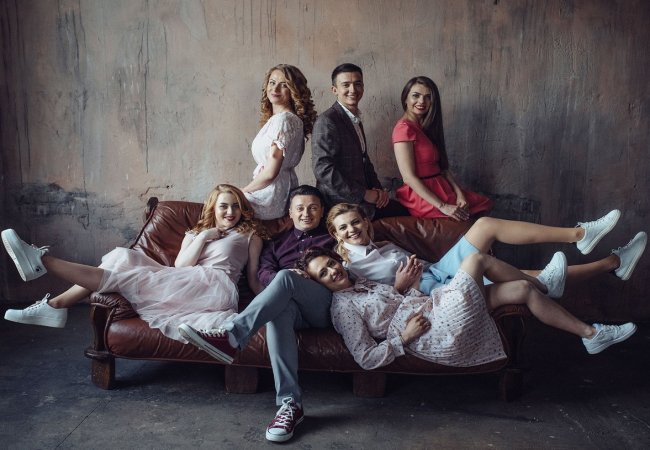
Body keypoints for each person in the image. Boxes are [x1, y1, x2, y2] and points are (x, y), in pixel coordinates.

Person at [296, 247, 638, 370]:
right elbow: (365, 358)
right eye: (323, 274)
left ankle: (591, 334)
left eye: (331, 263)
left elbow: (395, 306)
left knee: (521, 289)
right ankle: (548, 283)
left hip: (434, 308)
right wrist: (403, 338)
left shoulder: (363, 284)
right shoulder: (342, 308)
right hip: (431, 333)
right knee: (476, 259)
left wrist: (406, 288)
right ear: (320, 284)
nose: (332, 271)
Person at [2, 184, 265, 341]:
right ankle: (55, 303)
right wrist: (205, 236)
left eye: (235, 206)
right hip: (186, 279)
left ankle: (43, 264)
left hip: (216, 287)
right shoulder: (195, 233)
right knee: (121, 257)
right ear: (213, 208)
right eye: (224, 206)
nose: (230, 212)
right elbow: (181, 266)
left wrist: (272, 304)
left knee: (121, 272)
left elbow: (253, 279)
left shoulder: (250, 235)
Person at [177, 185, 335, 443]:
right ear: (290, 213)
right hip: (291, 310)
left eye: (313, 208)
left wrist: (298, 279)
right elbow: (262, 273)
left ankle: (232, 336)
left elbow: (350, 264)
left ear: (322, 211)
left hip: (322, 305)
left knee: (285, 277)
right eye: (300, 208)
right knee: (278, 310)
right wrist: (283, 283)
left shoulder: (332, 238)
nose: (306, 214)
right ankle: (290, 405)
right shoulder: (277, 243)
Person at [326, 203, 647, 297]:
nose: (352, 230)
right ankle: (614, 262)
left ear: (365, 222)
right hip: (432, 292)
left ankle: (580, 234)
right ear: (335, 234)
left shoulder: (378, 243)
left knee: (485, 225)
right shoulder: (348, 267)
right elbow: (374, 304)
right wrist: (400, 286)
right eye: (343, 228)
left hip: (437, 269)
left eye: (355, 222)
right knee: (528, 276)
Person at [311, 63, 410, 220]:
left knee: (406, 210)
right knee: (403, 213)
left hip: (363, 198)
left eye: (357, 84)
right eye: (346, 85)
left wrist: (379, 191)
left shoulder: (355, 119)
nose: (353, 90)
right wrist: (363, 194)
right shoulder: (327, 121)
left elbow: (365, 161)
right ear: (334, 90)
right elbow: (322, 169)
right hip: (340, 202)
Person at [393, 76, 492, 220]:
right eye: (416, 95)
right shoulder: (403, 129)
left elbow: (442, 169)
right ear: (405, 99)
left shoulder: (425, 127)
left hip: (441, 186)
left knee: (482, 203)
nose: (422, 101)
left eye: (428, 97)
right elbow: (408, 178)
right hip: (422, 194)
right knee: (463, 216)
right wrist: (443, 206)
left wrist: (459, 193)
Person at [242, 64, 317, 220]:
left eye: (284, 85)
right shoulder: (286, 119)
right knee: (221, 201)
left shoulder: (284, 120)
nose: (275, 89)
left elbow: (270, 173)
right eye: (272, 82)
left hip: (271, 194)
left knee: (222, 202)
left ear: (294, 91)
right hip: (279, 190)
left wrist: (242, 191)